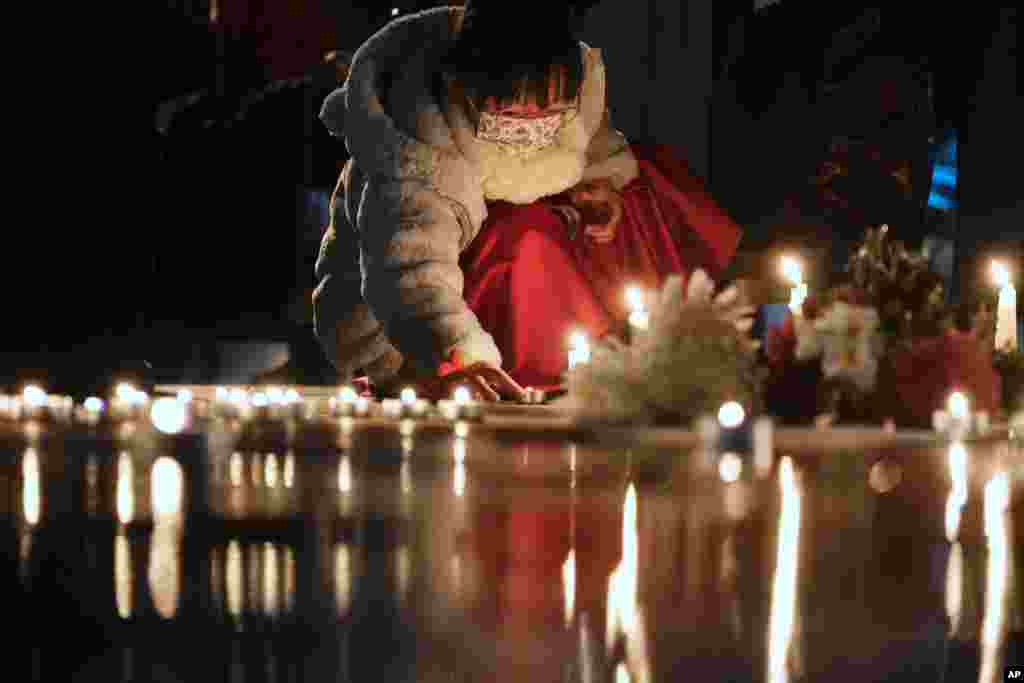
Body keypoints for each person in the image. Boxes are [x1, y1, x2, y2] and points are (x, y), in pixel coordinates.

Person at [313, 1, 742, 401]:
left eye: (551, 113)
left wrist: (602, 191)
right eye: (515, 117)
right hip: (397, 321)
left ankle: (624, 361)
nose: (533, 129)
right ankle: (530, 375)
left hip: (484, 255)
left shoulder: (562, 104)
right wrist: (457, 354)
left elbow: (588, 143)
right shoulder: (419, 149)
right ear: (465, 89)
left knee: (642, 191)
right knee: (524, 239)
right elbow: (412, 272)